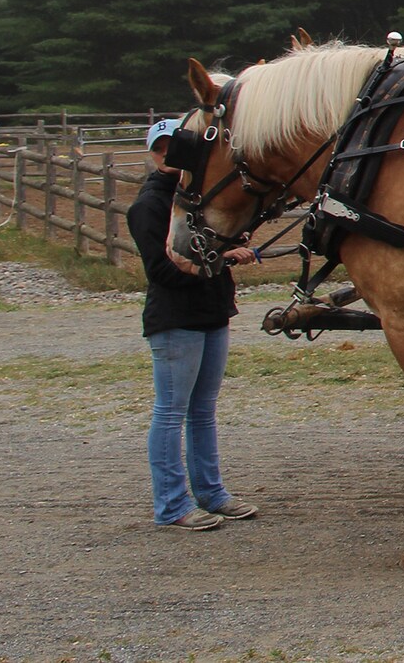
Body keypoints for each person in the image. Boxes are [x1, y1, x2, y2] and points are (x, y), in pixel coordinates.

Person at [133, 117, 260, 531]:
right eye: (160, 148)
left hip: (211, 313)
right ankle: (172, 505)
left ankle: (211, 493)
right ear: (153, 155)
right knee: (171, 412)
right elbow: (161, 270)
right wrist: (223, 259)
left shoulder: (199, 199)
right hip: (176, 319)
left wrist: (231, 244)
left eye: (174, 146)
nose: (167, 154)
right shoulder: (150, 207)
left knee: (202, 411)